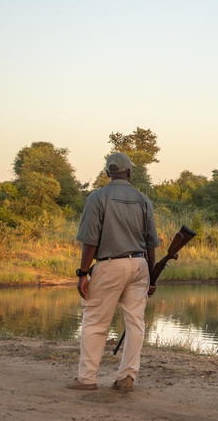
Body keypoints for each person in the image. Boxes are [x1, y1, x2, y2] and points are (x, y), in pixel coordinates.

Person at [67, 152, 159, 392]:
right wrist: (151, 276)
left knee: (95, 322)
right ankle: (127, 376)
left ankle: (87, 378)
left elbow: (90, 241)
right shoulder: (143, 200)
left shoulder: (97, 198)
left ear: (108, 173)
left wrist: (83, 273)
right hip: (139, 264)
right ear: (129, 172)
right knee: (135, 323)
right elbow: (151, 244)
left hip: (109, 265)